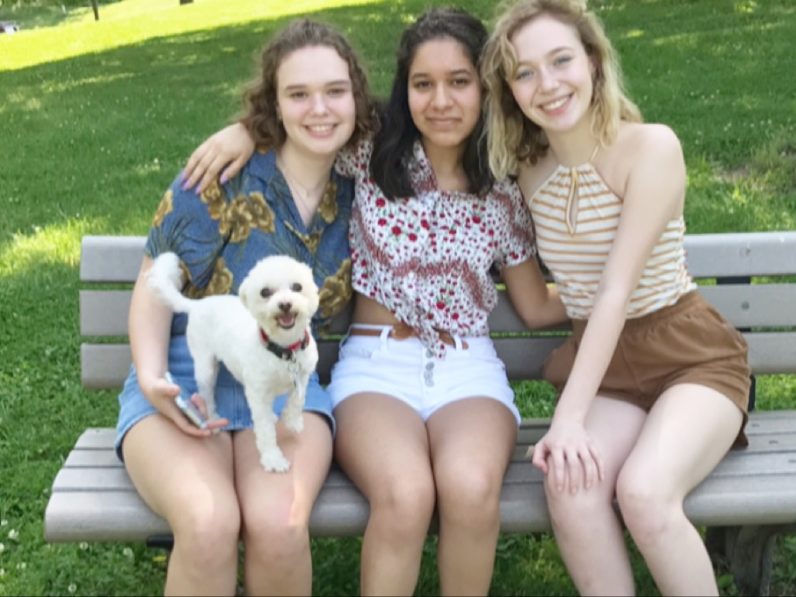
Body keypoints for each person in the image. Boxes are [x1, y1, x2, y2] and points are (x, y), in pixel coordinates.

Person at [181, 8, 568, 595]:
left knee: (469, 488)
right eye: (423, 84)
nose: (441, 100)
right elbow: (306, 117)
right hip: (376, 367)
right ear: (403, 91)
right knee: (405, 492)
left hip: (467, 367)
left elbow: (536, 306)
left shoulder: (502, 188)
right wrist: (245, 129)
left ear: (486, 90)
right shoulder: (371, 154)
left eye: (459, 81)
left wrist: (619, 285)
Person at [479, 1, 752, 595]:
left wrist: (568, 418)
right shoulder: (527, 173)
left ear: (594, 62)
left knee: (644, 493)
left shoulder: (650, 148)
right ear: (509, 91)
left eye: (561, 60)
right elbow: (567, 297)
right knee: (570, 487)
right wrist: (254, 126)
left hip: (691, 359)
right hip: (608, 369)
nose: (547, 84)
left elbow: (615, 290)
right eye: (525, 72)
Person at [117, 19, 376, 595]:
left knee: (279, 524)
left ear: (357, 97)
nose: (319, 110)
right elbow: (154, 279)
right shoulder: (223, 176)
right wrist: (152, 375)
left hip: (286, 385)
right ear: (273, 104)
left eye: (335, 91)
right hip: (190, 375)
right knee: (209, 524)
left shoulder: (364, 183)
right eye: (297, 94)